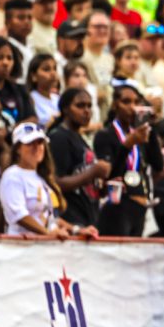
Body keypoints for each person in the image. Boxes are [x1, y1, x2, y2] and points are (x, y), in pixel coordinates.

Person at [0, 122, 96, 239]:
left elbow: (50, 219)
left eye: (40, 142)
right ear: (18, 149)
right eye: (30, 143)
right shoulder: (12, 175)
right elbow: (19, 215)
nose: (37, 147)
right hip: (21, 248)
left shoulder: (42, 178)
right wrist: (47, 233)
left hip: (42, 247)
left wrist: (77, 230)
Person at [93, 81, 162, 237]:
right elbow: (110, 174)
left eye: (137, 102)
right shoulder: (105, 135)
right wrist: (127, 145)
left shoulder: (141, 134)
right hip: (117, 206)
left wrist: (152, 128)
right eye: (126, 102)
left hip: (141, 206)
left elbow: (158, 164)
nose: (132, 107)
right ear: (115, 105)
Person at [48, 88, 111, 230]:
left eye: (89, 106)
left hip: (89, 215)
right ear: (65, 109)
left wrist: (103, 186)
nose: (86, 110)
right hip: (70, 219)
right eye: (80, 106)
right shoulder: (59, 137)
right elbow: (56, 182)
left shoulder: (79, 138)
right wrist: (93, 172)